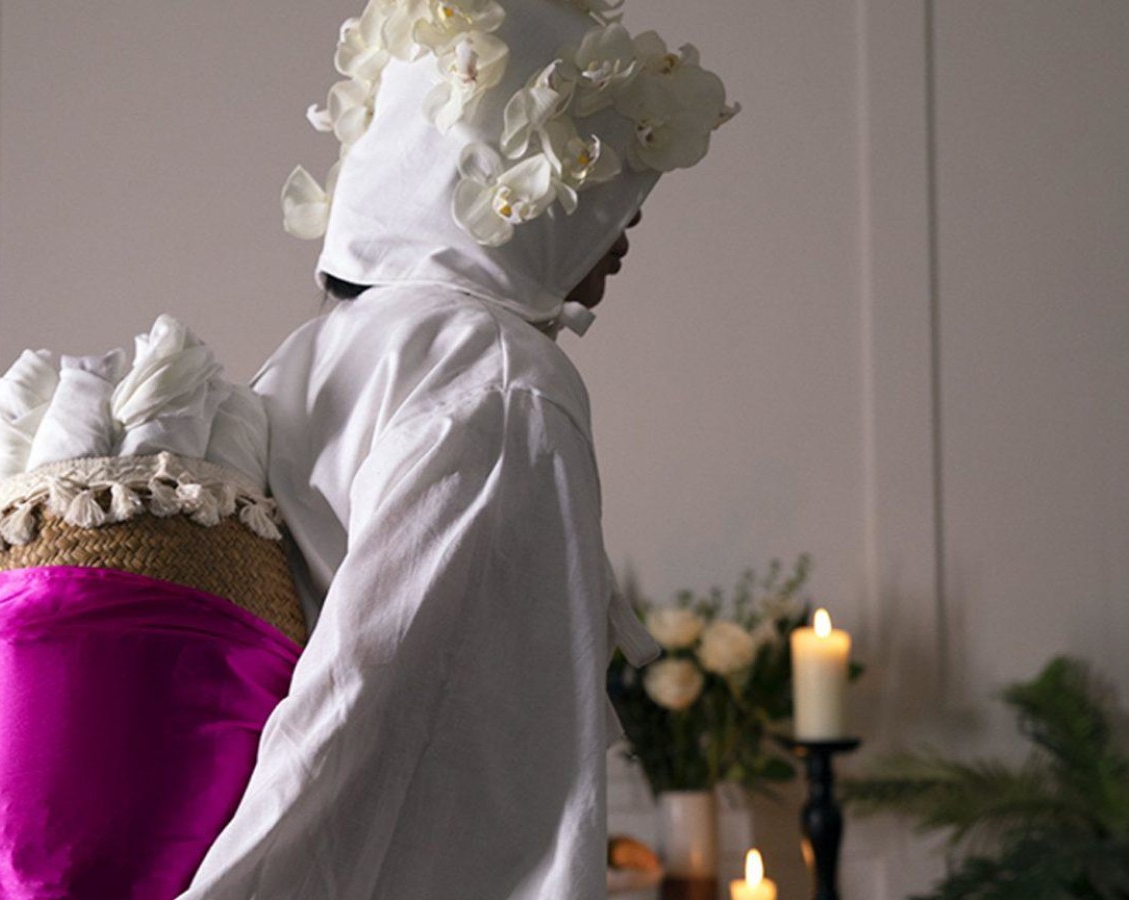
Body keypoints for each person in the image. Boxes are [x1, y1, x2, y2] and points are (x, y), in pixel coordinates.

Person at [182, 1, 738, 897]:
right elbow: (375, 700)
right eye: (599, 182)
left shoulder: (324, 349)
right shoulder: (501, 376)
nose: (625, 225)